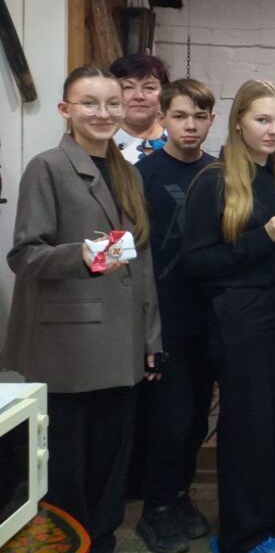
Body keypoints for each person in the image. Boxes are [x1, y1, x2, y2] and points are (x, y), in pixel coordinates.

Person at [3, 66, 161, 553]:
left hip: (121, 342)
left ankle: (104, 541)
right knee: (67, 468)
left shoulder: (128, 172)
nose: (103, 113)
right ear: (65, 109)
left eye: (112, 103)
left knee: (110, 464)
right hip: (68, 347)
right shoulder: (48, 167)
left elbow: (142, 261)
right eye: (89, 103)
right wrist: (82, 256)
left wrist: (151, 338)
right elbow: (24, 255)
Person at [183, 80, 275, 553]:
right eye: (263, 120)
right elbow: (198, 263)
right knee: (250, 423)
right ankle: (243, 534)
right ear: (239, 121)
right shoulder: (214, 181)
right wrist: (263, 236)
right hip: (243, 314)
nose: (274, 130)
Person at [134, 79, 218, 553]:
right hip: (162, 317)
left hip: (208, 314)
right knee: (170, 416)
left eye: (200, 117)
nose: (191, 125)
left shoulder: (217, 172)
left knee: (197, 416)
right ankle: (157, 507)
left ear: (212, 120)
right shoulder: (142, 175)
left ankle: (180, 495)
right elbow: (133, 252)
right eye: (181, 116)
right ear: (162, 117)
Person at [111, 53, 171, 164]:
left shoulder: (177, 138)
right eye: (128, 87)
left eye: (149, 88)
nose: (139, 96)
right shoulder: (100, 141)